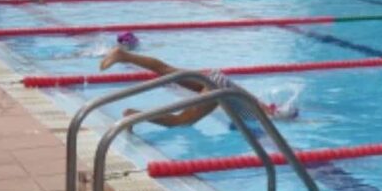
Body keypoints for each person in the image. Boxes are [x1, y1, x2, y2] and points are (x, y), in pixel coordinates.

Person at [98, 47, 298, 127]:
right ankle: (133, 116)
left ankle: (123, 54)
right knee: (181, 122)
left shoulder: (261, 108)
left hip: (217, 78)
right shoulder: (262, 118)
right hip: (219, 88)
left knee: (166, 69)